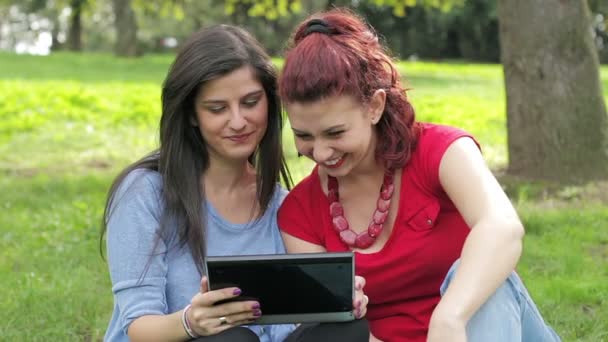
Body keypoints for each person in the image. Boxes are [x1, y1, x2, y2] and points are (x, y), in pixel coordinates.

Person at [276, 8, 561, 342]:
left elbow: (503, 228)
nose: (321, 153)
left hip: (487, 329)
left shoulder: (441, 151)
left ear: (375, 106)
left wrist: (449, 317)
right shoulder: (299, 213)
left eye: (335, 133)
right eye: (305, 136)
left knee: (484, 283)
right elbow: (338, 329)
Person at [101, 24, 369, 342]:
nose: (238, 121)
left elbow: (292, 322)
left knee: (347, 327)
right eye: (217, 109)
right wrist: (191, 322)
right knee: (232, 338)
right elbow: (138, 326)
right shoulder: (145, 193)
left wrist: (336, 299)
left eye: (251, 102)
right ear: (191, 114)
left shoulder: (282, 204)